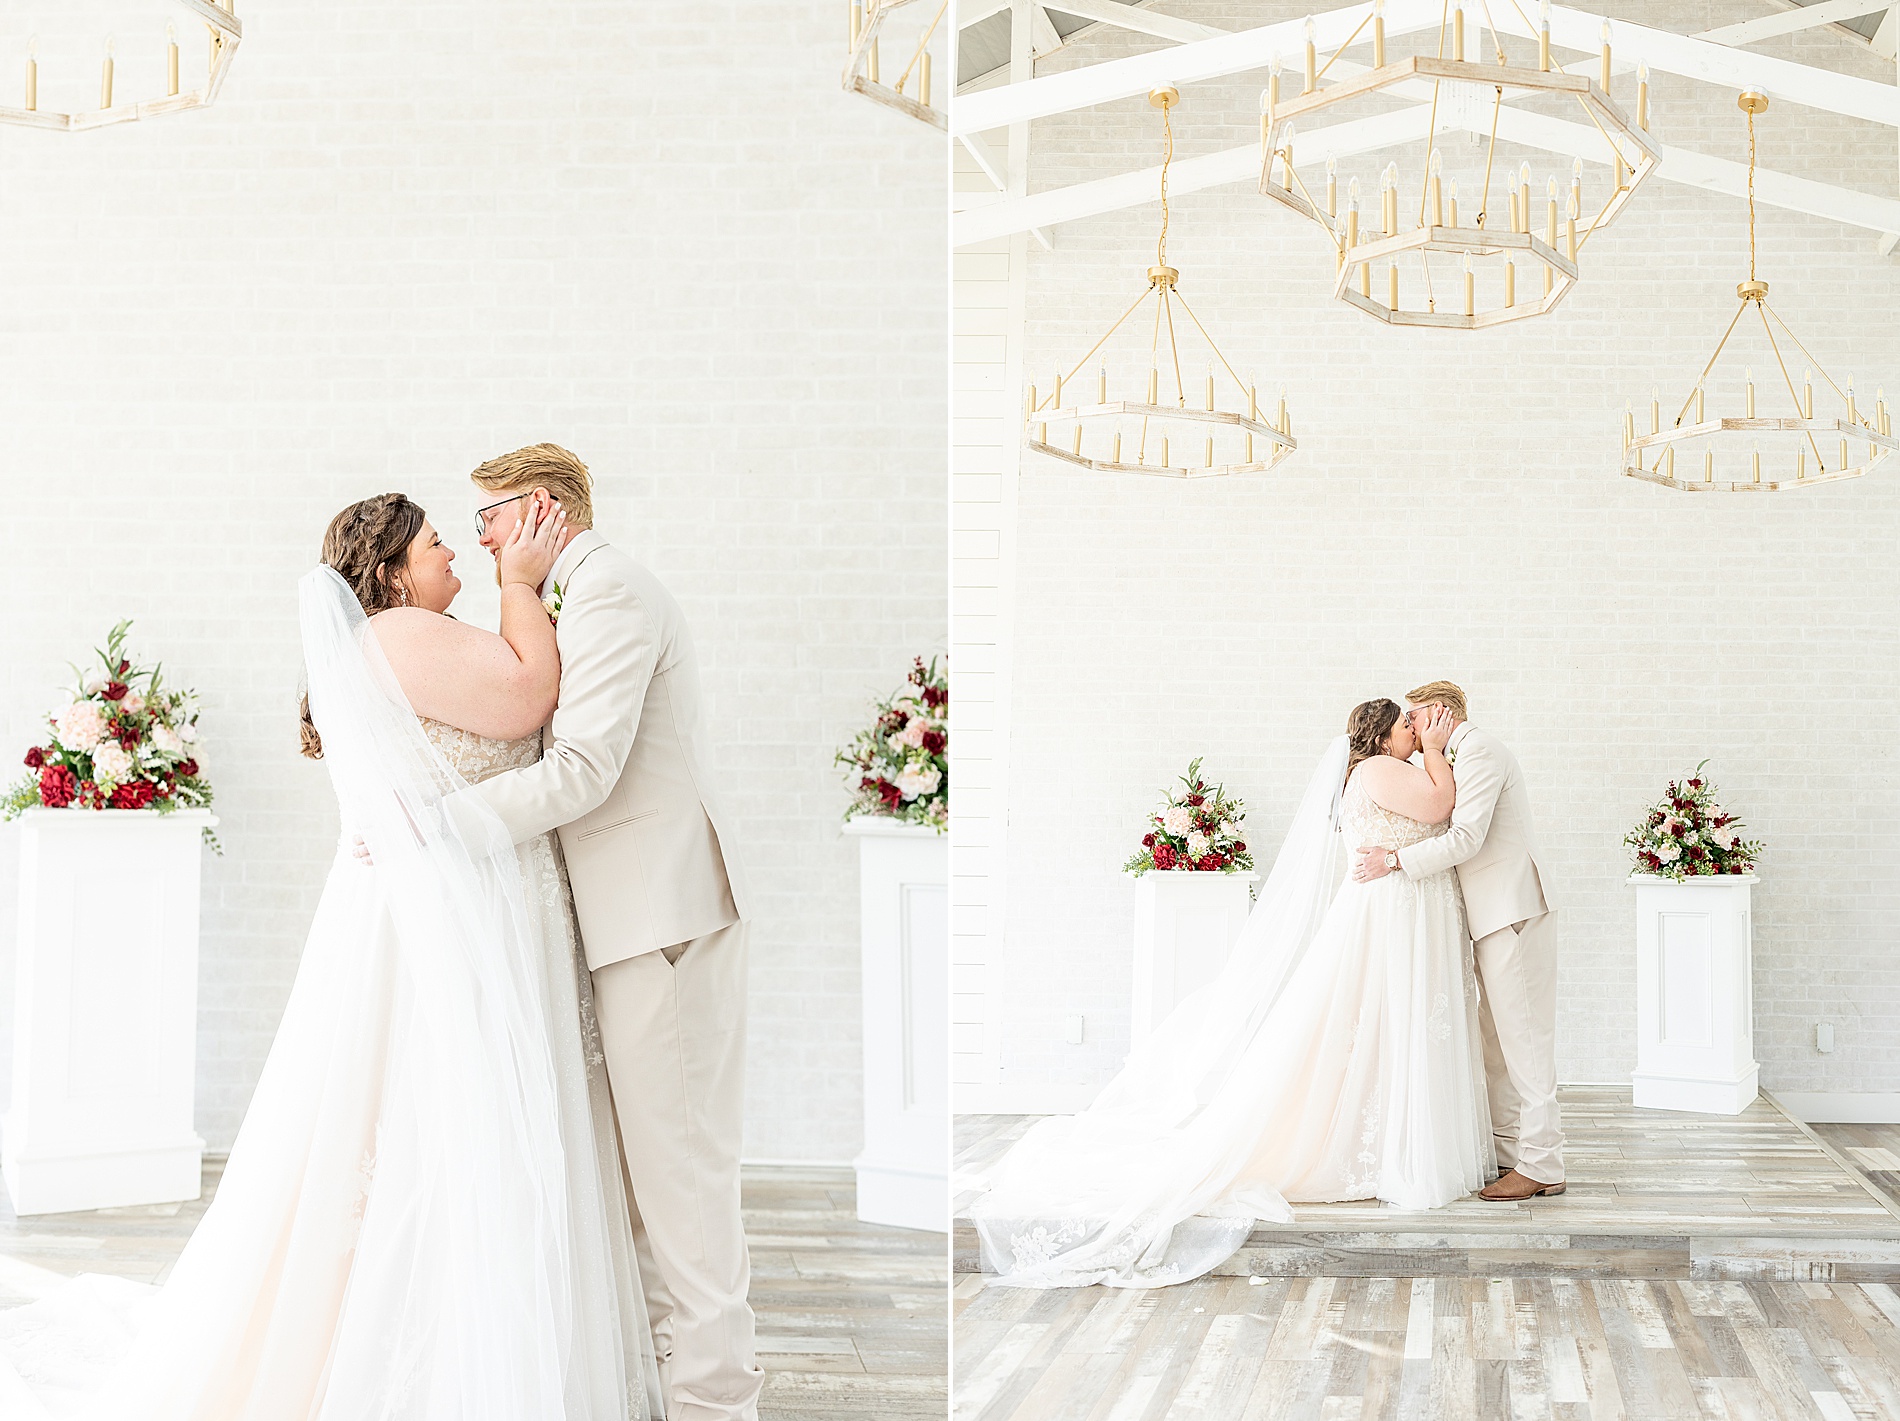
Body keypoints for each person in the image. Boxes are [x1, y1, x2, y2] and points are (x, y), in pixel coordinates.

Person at [0, 491, 664, 1420]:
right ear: (391, 571)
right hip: (453, 918)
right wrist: (522, 580)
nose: (455, 558)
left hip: (461, 900)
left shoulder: (397, 640)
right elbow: (528, 699)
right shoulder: (397, 634)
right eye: (437, 544)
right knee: (448, 1122)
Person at [966, 698, 1494, 1289]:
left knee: (1387, 1029)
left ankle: (1394, 1134)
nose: (1413, 731)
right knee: (1382, 1025)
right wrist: (1435, 749)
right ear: (1379, 734)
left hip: (1400, 910)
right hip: (1390, 916)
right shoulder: (1376, 769)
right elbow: (1441, 806)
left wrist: (1426, 754)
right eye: (1405, 725)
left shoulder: (1378, 771)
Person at [460, 445, 761, 1421]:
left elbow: (585, 766)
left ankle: (718, 1408)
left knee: (686, 1210)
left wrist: (443, 824)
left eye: (490, 520)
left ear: (541, 509)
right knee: (648, 1200)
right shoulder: (579, 595)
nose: (484, 543)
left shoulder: (611, 592)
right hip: (632, 926)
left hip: (662, 926)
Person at [1351, 680, 1562, 1201]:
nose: (1410, 727)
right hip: (1489, 916)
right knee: (1496, 1046)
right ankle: (1513, 1155)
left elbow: (1465, 835)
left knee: (1525, 1044)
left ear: (1440, 714)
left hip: (1511, 911)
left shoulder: (1481, 751)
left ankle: (1544, 1165)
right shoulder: (1447, 757)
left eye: (1415, 718)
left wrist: (1395, 860)